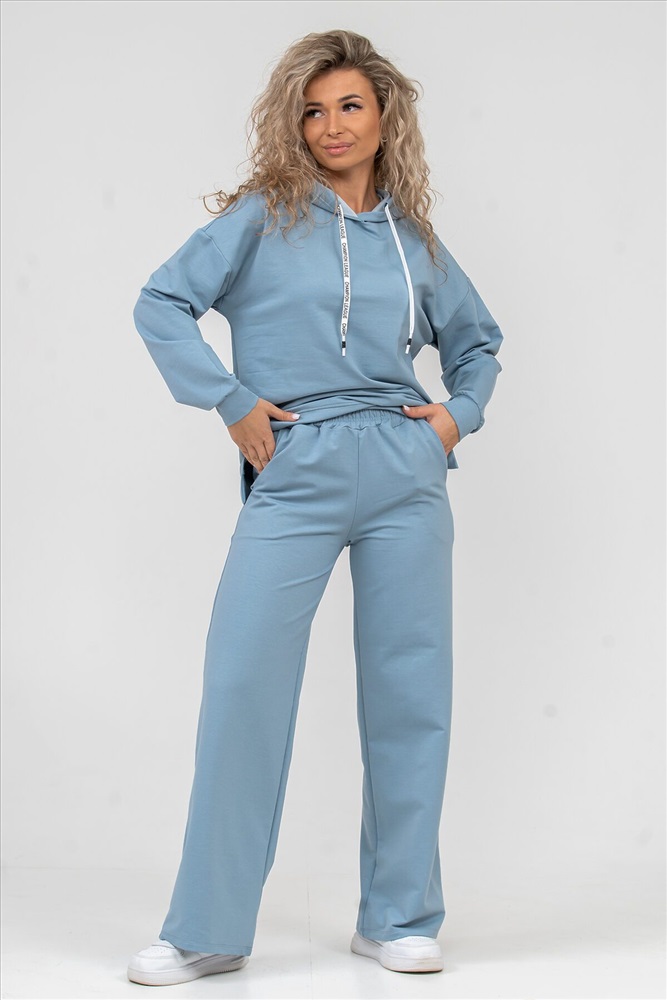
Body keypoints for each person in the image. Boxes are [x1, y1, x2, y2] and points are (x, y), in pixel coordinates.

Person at [126, 28, 503, 987]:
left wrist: (452, 419)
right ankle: (208, 927)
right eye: (312, 109)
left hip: (404, 472)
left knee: (411, 696)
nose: (331, 125)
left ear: (384, 117)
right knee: (243, 686)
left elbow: (477, 343)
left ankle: (398, 916)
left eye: (349, 106)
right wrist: (229, 400)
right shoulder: (262, 217)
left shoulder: (414, 241)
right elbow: (161, 301)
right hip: (296, 464)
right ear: (292, 123)